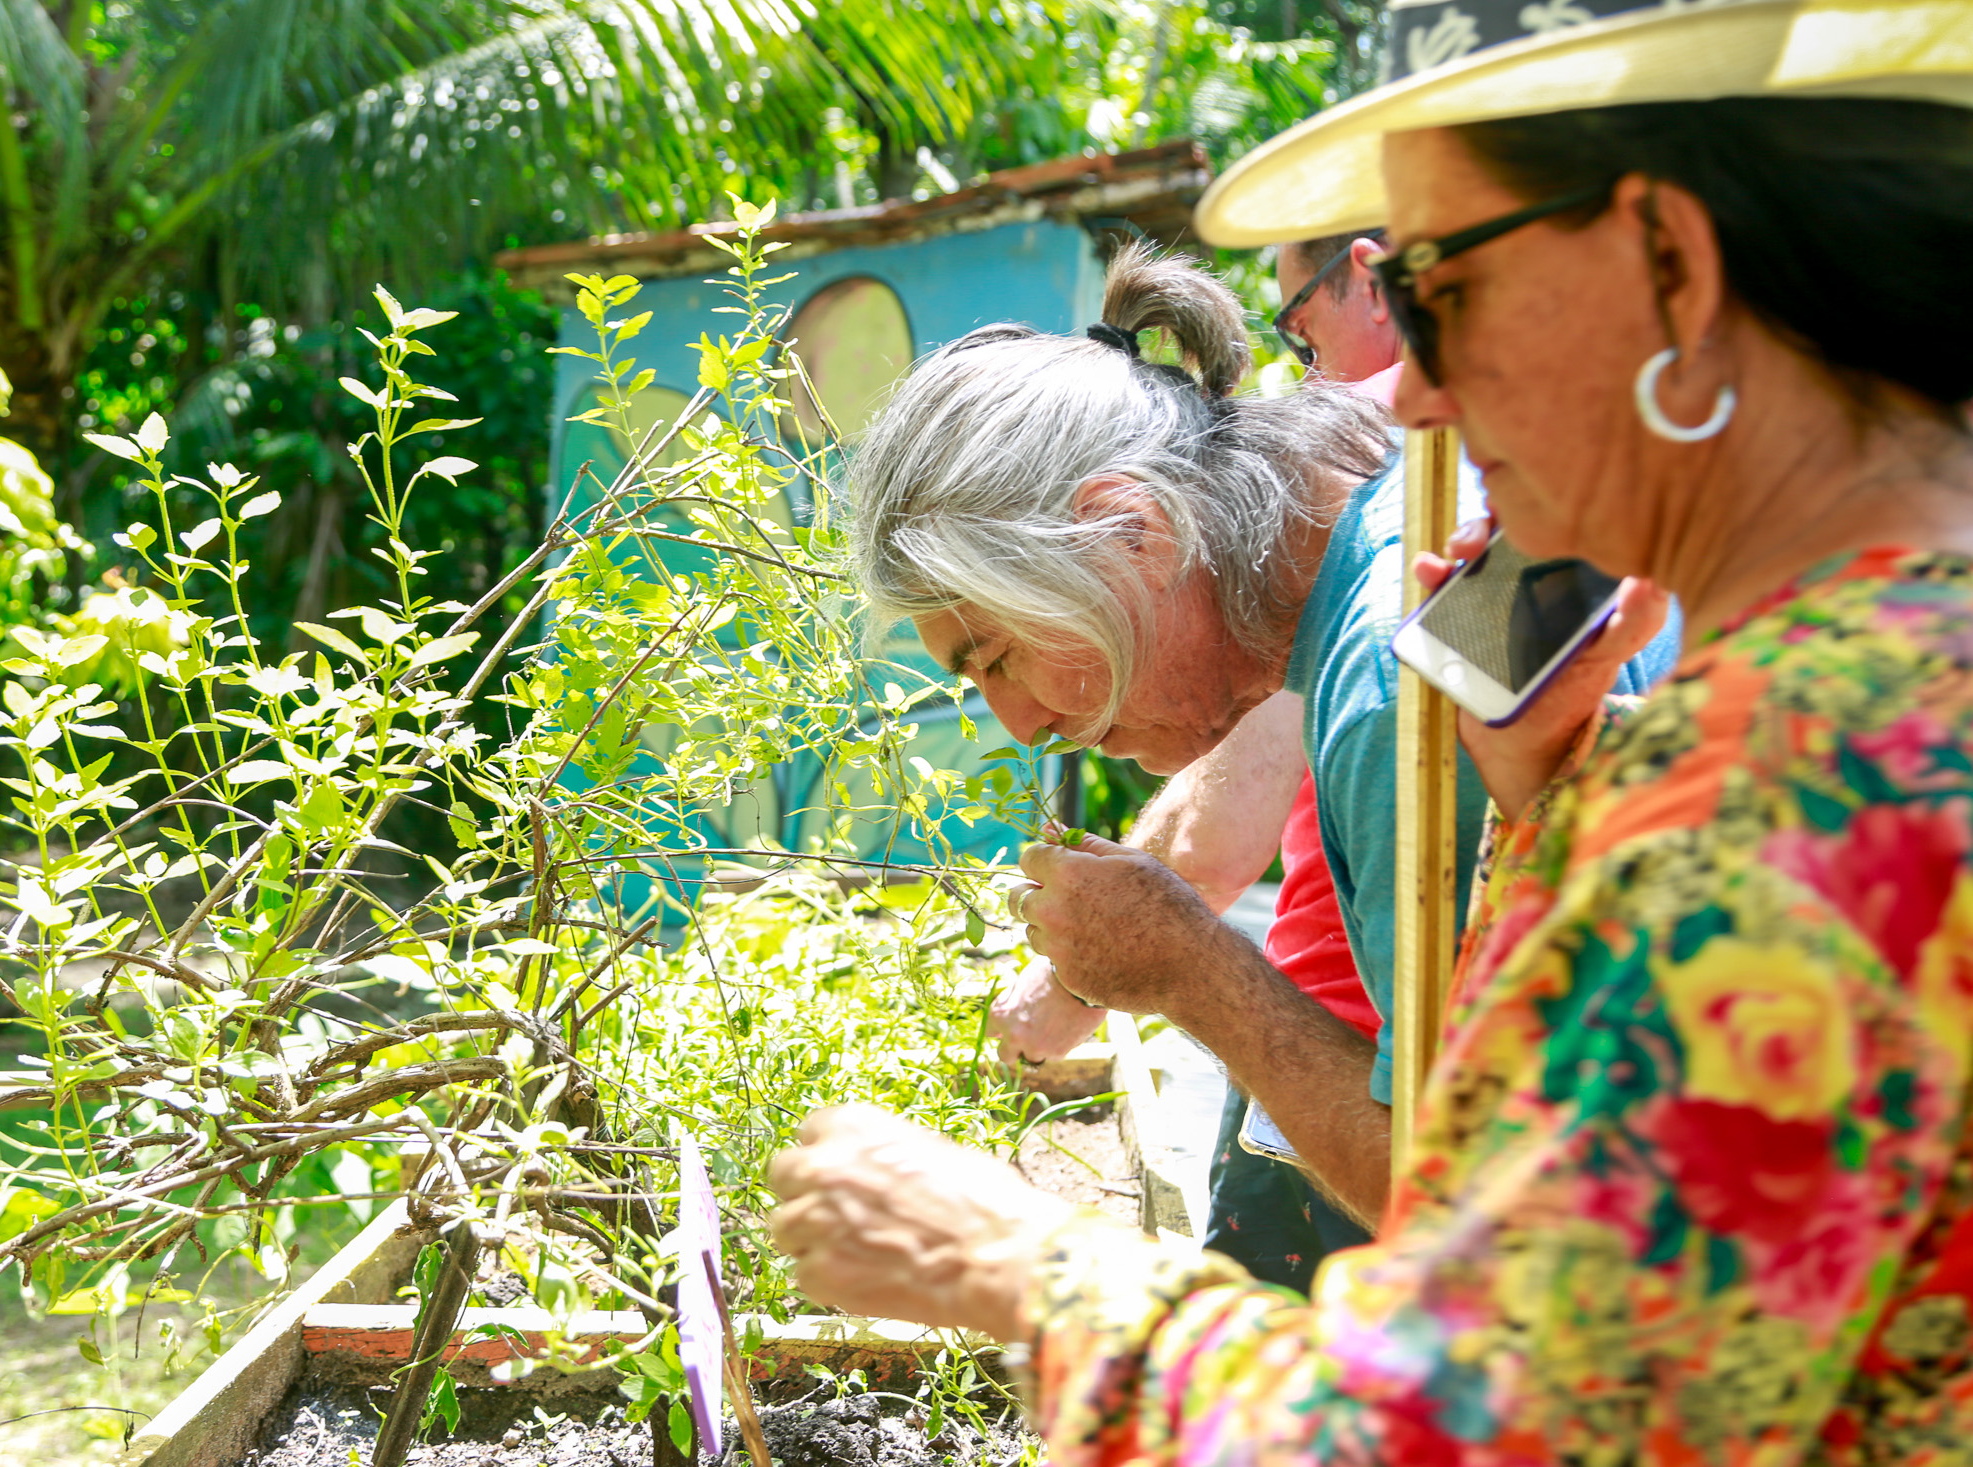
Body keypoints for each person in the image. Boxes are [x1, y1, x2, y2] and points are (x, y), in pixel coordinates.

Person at [769, 2, 1973, 1459]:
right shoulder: (1837, 677)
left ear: (1672, 261)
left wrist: (1014, 1264)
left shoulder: (1806, 786)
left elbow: (1472, 1423)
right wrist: (1546, 814)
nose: (1408, 388)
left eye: (1441, 292)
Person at [850, 245, 1675, 1229]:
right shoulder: (1415, 506)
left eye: (995, 658)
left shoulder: (1395, 697)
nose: (1023, 724)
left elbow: (1482, 1220)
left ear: (1130, 529)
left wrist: (1191, 972)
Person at [992, 225, 1408, 1285]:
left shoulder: (1365, 599)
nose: (1025, 721)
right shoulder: (1392, 522)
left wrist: (1164, 966)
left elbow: (1479, 1211)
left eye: (1300, 333)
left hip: (1349, 1057)